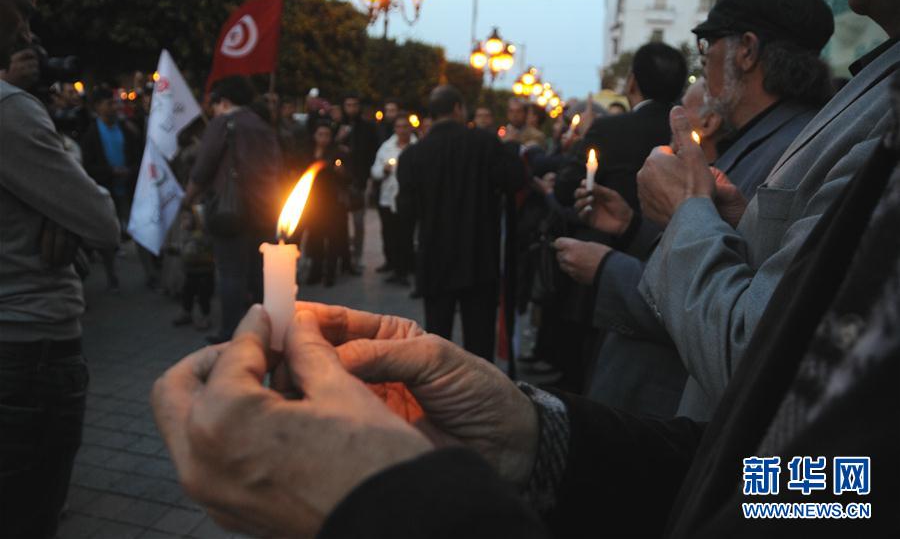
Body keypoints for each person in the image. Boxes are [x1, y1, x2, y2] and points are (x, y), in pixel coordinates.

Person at [151, 87, 900, 534]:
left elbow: (842, 490)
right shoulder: (876, 100)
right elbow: (818, 483)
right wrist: (534, 432)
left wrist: (401, 504)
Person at [630, 0, 899, 416]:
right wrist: (735, 220)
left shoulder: (804, 135)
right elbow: (782, 265)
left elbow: (760, 350)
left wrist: (684, 211)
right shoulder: (845, 104)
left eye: (707, 44)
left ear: (747, 51)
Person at [568, 0, 838, 420]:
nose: (704, 64)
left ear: (746, 51)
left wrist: (606, 267)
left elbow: (732, 303)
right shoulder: (769, 137)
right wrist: (633, 229)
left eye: (706, 45)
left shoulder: (791, 152)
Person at [0, 0, 120, 537]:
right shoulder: (10, 113)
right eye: (21, 12)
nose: (28, 30)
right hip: (31, 351)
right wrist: (63, 209)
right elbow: (101, 222)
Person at [396, 85, 525, 360]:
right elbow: (515, 180)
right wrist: (512, 147)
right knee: (479, 345)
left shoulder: (413, 155)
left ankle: (439, 397)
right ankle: (479, 398)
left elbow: (404, 211)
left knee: (437, 342)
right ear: (457, 108)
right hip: (479, 258)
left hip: (434, 258)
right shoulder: (485, 143)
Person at [183, 75, 284, 343]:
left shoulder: (223, 123)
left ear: (224, 102)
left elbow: (203, 168)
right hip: (265, 208)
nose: (213, 110)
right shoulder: (263, 125)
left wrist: (188, 198)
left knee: (231, 273)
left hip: (231, 210)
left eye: (215, 104)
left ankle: (232, 332)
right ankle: (265, 327)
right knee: (260, 272)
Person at [575, 41, 687, 209]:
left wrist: (583, 136)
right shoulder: (687, 132)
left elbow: (567, 187)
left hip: (610, 229)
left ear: (632, 82)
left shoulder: (607, 129)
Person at [79, 84, 143, 291]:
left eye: (116, 102)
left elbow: (137, 156)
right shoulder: (90, 134)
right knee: (107, 236)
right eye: (110, 103)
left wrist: (129, 170)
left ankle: (150, 272)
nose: (115, 107)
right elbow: (88, 165)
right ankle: (111, 274)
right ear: (98, 107)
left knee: (139, 229)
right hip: (106, 190)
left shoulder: (127, 129)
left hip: (129, 188)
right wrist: (110, 172)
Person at [302, 121, 352, 287]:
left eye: (327, 135)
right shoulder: (307, 153)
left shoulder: (338, 153)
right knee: (315, 239)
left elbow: (347, 178)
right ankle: (315, 271)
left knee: (333, 240)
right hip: (313, 203)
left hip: (332, 204)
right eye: (320, 135)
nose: (323, 138)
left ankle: (330, 273)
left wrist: (341, 172)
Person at [370, 111, 417, 285]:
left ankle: (404, 269)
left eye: (405, 126)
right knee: (390, 234)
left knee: (406, 236)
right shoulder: (386, 147)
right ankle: (393, 264)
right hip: (388, 199)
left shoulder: (416, 147)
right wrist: (384, 171)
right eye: (398, 126)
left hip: (408, 200)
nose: (402, 130)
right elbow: (374, 171)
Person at [335, 92, 378, 270]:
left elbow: (371, 153)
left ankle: (357, 256)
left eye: (354, 105)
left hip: (359, 181)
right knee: (339, 223)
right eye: (348, 105)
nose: (351, 108)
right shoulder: (338, 126)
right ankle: (343, 256)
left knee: (359, 222)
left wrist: (368, 179)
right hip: (339, 183)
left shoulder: (368, 128)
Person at [172, 208, 214, 331]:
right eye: (182, 218)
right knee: (187, 293)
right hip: (190, 271)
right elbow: (184, 248)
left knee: (203, 296)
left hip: (204, 271)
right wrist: (175, 249)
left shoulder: (202, 236)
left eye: (187, 219)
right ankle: (186, 312)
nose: (183, 222)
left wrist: (180, 250)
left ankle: (205, 316)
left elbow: (193, 251)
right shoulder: (186, 234)